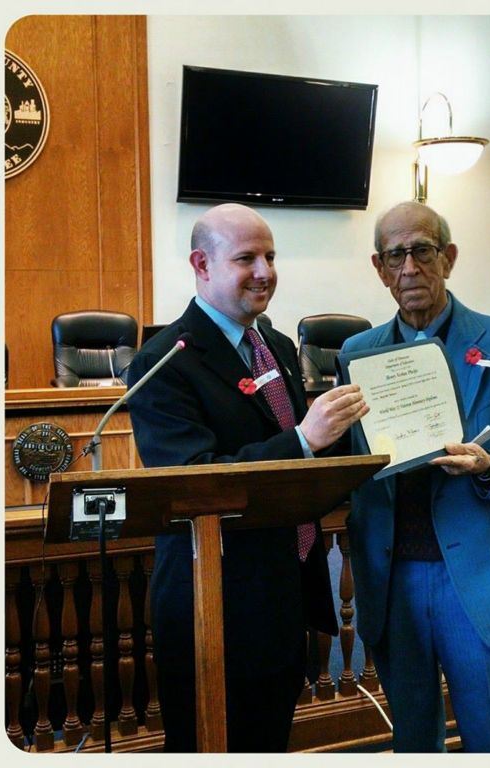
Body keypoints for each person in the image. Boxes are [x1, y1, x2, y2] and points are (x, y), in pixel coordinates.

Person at [127, 203, 367, 752]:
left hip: (285, 589)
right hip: (215, 601)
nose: (265, 271)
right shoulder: (164, 361)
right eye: (246, 258)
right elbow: (194, 478)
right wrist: (305, 438)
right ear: (201, 265)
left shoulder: (277, 348)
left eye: (270, 256)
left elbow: (308, 458)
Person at [340, 201, 490, 752]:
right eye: (396, 255)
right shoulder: (355, 355)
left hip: (478, 580)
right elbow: (351, 467)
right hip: (393, 583)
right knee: (414, 745)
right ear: (380, 267)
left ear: (449, 258)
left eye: (422, 251)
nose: (409, 267)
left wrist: (489, 466)